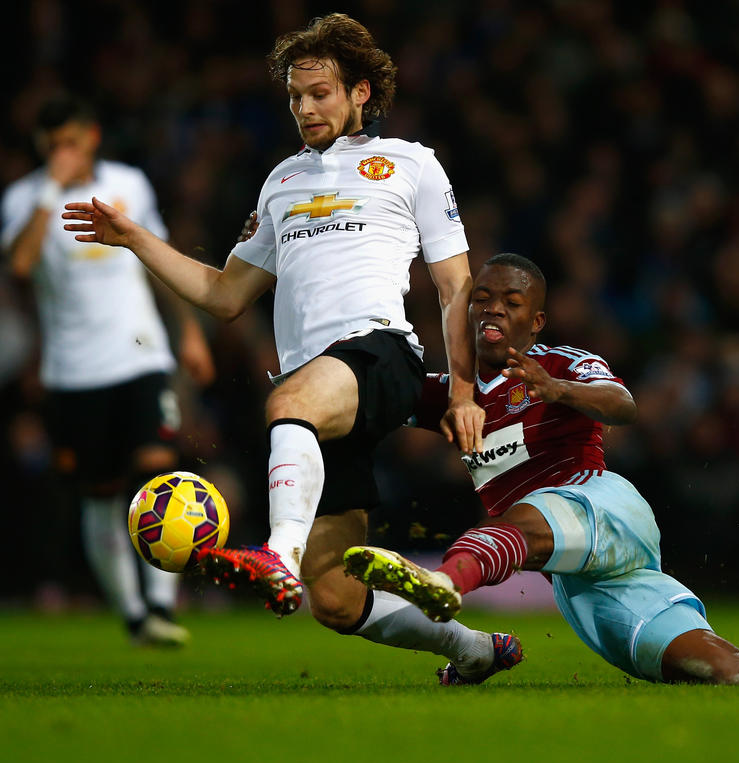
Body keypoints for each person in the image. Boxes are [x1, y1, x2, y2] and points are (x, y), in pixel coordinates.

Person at [63, 14, 520, 684]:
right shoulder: (281, 182)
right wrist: (134, 239)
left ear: (361, 92)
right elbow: (224, 295)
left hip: (380, 354)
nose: (304, 108)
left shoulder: (412, 164)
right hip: (318, 397)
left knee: (290, 400)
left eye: (320, 93)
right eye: (295, 97)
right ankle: (476, 651)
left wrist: (460, 389)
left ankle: (275, 552)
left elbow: (454, 287)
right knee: (333, 598)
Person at [345, 253, 739, 685]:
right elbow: (368, 395)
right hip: (582, 580)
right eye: (480, 299)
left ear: (535, 319)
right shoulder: (448, 393)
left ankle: (445, 584)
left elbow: (624, 404)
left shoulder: (562, 364)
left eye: (510, 302)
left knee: (528, 519)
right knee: (727, 673)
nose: (491, 309)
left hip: (602, 508)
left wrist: (556, 390)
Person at [2, 95, 216, 646]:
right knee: (100, 493)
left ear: (91, 136)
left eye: (69, 142)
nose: (62, 153)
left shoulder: (129, 183)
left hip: (140, 354)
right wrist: (52, 188)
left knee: (156, 472)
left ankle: (163, 605)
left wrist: (188, 332)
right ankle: (133, 615)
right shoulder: (25, 198)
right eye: (51, 147)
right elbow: (20, 264)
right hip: (73, 371)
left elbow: (155, 258)